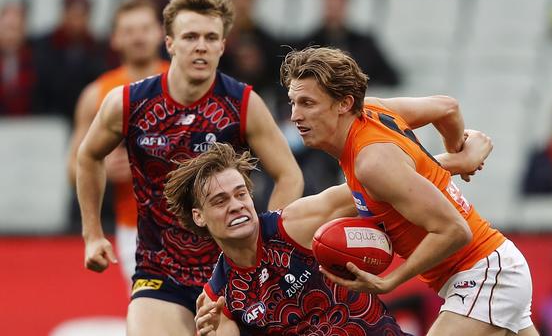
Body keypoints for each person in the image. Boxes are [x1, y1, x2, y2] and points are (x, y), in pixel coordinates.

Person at [76, 0, 303, 336]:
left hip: (230, 272)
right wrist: (92, 234)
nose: (201, 46)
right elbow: (88, 155)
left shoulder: (243, 103)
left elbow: (288, 174)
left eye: (211, 37)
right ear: (169, 44)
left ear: (222, 46)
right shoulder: (128, 102)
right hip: (158, 273)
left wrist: (267, 246)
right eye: (190, 36)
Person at [281, 46, 538, 335]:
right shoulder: (374, 112)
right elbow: (447, 108)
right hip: (493, 267)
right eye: (293, 102)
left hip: (484, 273)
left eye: (307, 103)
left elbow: (454, 230)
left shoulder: (372, 163)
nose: (295, 115)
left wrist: (390, 282)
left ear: (344, 103)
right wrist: (460, 157)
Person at [164, 128, 490, 335]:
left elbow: (386, 178)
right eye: (220, 201)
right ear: (199, 216)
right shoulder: (217, 298)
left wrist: (458, 161)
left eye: (240, 194)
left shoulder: (296, 223)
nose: (235, 205)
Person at [67, 0, 169, 285]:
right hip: (135, 227)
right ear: (114, 38)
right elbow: (73, 166)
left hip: (195, 224)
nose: (138, 37)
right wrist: (103, 169)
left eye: (145, 28)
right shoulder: (97, 94)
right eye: (129, 30)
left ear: (160, 32)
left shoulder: (187, 80)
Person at [34, 0, 105, 122]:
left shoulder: (98, 48)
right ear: (63, 14)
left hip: (88, 118)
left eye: (81, 15)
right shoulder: (43, 45)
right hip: (50, 118)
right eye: (72, 15)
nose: (76, 21)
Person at [0, 0, 36, 115]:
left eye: (15, 29)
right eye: (7, 28)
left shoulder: (37, 60)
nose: (11, 35)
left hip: (31, 125)